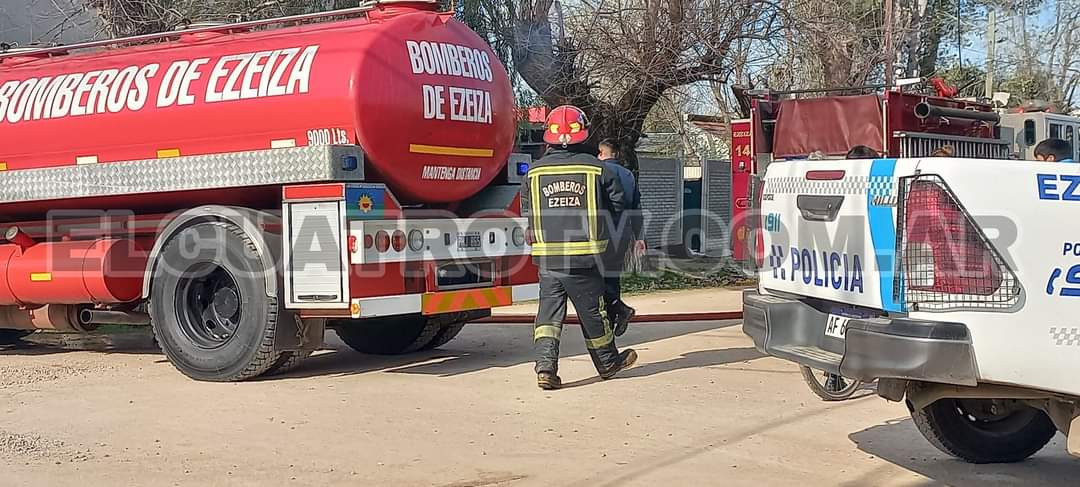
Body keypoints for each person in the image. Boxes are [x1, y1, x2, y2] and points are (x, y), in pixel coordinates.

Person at [519, 106, 638, 390]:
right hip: (585, 259)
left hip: (548, 260)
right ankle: (608, 363)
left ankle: (545, 368)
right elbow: (619, 208)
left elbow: (527, 210)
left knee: (548, 316)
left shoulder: (533, 173)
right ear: (582, 132)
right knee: (593, 314)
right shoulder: (597, 168)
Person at [597, 139, 644, 337]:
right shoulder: (628, 175)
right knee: (612, 276)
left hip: (602, 233)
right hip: (623, 234)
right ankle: (616, 313)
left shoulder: (597, 171)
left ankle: (615, 312)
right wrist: (639, 237)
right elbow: (636, 207)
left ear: (601, 153)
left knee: (595, 278)